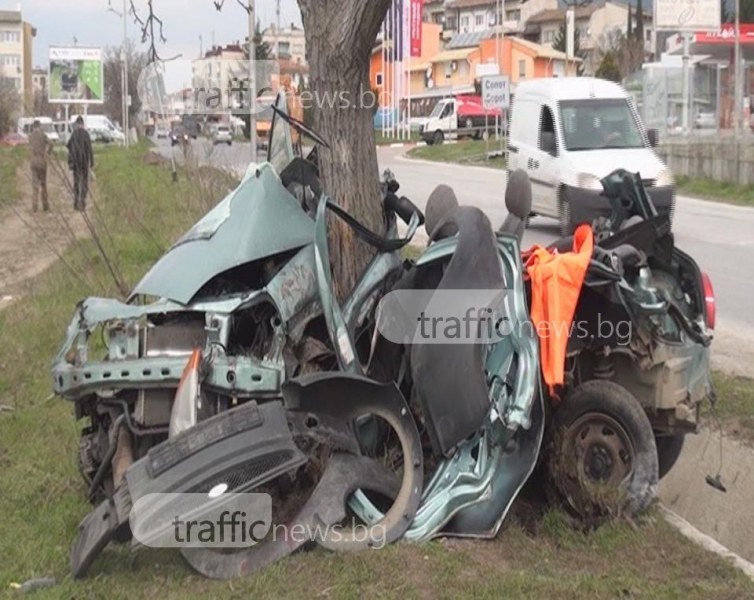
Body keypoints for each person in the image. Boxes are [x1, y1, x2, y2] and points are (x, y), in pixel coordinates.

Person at [67, 115, 94, 211]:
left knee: (76, 182)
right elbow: (89, 148)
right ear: (82, 124)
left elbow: (69, 146)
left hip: (75, 163)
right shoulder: (86, 134)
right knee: (84, 183)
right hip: (84, 162)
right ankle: (82, 202)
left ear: (77, 124)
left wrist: (70, 161)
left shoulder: (73, 134)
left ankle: (75, 202)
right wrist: (92, 161)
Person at [28, 120, 51, 212]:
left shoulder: (30, 136)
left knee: (35, 185)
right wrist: (48, 152)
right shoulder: (43, 135)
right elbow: (51, 143)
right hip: (42, 161)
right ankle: (45, 205)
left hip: (33, 161)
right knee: (43, 184)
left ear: (33, 127)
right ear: (40, 126)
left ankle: (34, 206)